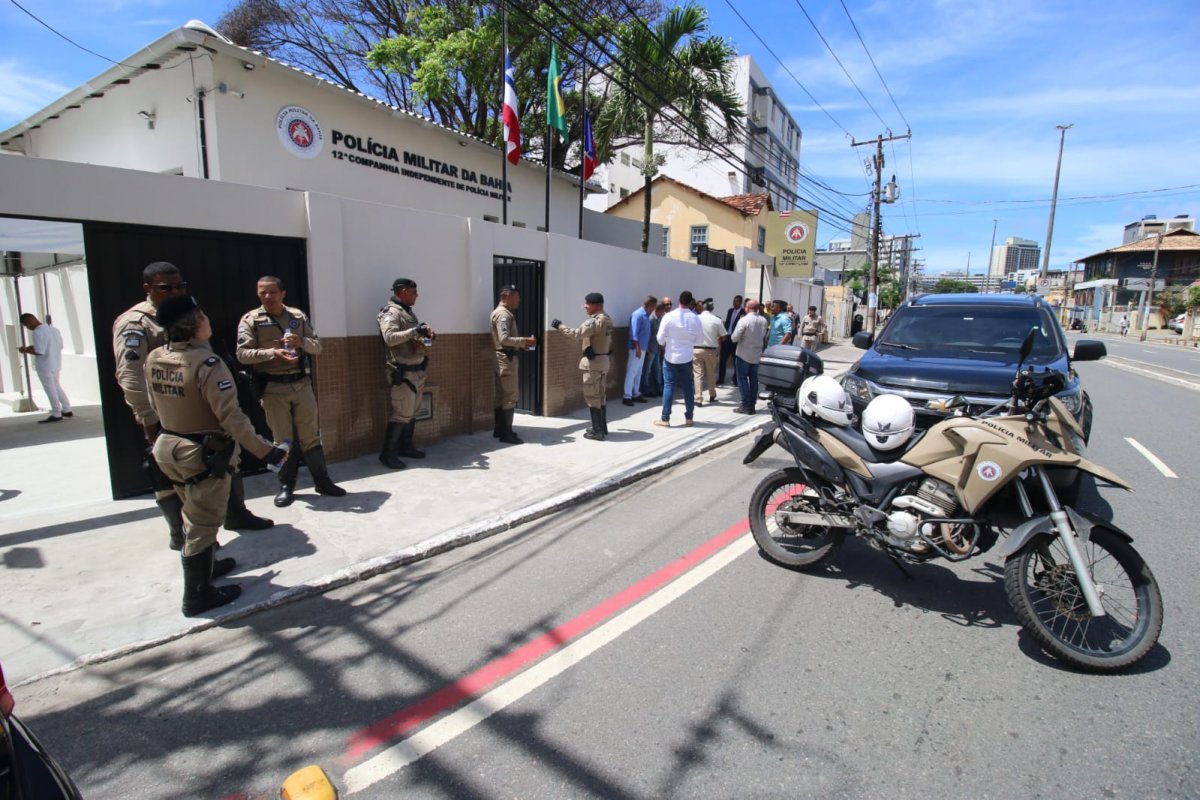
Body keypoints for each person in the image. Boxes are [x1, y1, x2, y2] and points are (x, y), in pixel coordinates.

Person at [113, 261, 271, 552]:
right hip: (169, 415)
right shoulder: (136, 323)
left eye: (179, 286)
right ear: (148, 288)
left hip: (205, 409)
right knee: (173, 475)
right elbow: (132, 377)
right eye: (166, 287)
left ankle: (234, 515)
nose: (175, 292)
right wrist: (149, 421)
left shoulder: (187, 310)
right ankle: (185, 535)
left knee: (226, 460)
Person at [146, 295, 288, 616]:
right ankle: (197, 595)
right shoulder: (207, 364)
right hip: (202, 454)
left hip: (168, 447)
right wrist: (267, 452)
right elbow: (232, 417)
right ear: (196, 325)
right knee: (203, 523)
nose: (207, 320)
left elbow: (154, 403)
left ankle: (207, 568)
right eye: (203, 315)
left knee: (191, 513)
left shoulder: (156, 356)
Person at [236, 276, 346, 507]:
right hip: (273, 387)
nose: (267, 296)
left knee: (311, 436)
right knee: (283, 440)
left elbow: (317, 346)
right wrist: (271, 353)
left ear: (282, 293)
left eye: (272, 292)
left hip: (301, 385)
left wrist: (301, 342)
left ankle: (322, 481)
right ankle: (287, 486)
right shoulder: (250, 320)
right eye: (262, 292)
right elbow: (242, 355)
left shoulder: (297, 316)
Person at [378, 278, 435, 469]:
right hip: (402, 372)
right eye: (414, 292)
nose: (417, 296)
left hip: (416, 369)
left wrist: (428, 339)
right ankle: (388, 454)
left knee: (412, 412)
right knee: (402, 413)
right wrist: (414, 331)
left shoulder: (409, 313)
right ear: (403, 292)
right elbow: (390, 338)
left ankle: (406, 446)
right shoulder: (391, 313)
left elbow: (417, 342)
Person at [551, 292, 614, 441]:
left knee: (592, 396)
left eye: (587, 303)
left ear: (596, 305)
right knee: (600, 395)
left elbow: (577, 334)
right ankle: (602, 427)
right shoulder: (608, 319)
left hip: (593, 364)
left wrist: (560, 326)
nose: (584, 306)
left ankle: (597, 432)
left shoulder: (593, 322)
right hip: (603, 361)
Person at [490, 285, 536, 444]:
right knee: (510, 396)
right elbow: (504, 339)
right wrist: (525, 341)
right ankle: (506, 433)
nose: (519, 300)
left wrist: (522, 345)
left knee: (500, 396)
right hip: (506, 359)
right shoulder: (503, 314)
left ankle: (499, 430)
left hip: (502, 358)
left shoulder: (502, 313)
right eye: (517, 296)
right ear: (508, 295)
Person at [655, 289, 701, 428]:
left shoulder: (669, 316)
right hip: (687, 357)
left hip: (671, 357)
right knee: (688, 387)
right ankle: (689, 418)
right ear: (690, 302)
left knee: (669, 386)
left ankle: (665, 418)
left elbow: (660, 339)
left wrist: (668, 341)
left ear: (679, 300)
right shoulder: (695, 318)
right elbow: (699, 339)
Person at [17, 313, 72, 423]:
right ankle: (66, 409)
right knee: (56, 386)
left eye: (26, 325)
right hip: (56, 363)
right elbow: (59, 346)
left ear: (29, 321)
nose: (27, 328)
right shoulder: (54, 330)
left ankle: (56, 413)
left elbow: (39, 351)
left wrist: (25, 350)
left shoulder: (38, 332)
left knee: (50, 389)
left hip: (44, 365)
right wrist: (31, 348)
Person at [731, 300, 769, 414]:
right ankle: (752, 405)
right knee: (754, 380)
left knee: (742, 380)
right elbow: (764, 336)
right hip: (756, 354)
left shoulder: (744, 320)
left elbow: (734, 338)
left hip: (743, 354)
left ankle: (745, 404)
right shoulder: (763, 320)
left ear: (747, 308)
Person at [623, 296, 656, 406]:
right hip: (635, 349)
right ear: (650, 305)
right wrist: (637, 348)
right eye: (653, 306)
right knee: (632, 372)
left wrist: (644, 349)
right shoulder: (638, 315)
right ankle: (627, 396)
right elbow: (634, 333)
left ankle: (636, 393)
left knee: (638, 372)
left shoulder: (646, 316)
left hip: (642, 349)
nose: (654, 309)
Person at [693, 298, 725, 405]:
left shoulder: (696, 318)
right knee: (711, 373)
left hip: (696, 349)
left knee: (698, 374)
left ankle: (698, 398)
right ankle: (712, 394)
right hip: (711, 350)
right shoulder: (717, 320)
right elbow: (724, 336)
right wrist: (718, 339)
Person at [641, 297, 669, 398]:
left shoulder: (660, 319)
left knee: (657, 369)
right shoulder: (651, 319)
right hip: (650, 348)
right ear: (658, 311)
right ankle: (645, 388)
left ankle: (658, 388)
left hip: (657, 348)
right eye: (662, 312)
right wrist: (647, 348)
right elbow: (648, 335)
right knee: (647, 369)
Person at [718, 295, 744, 386]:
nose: (734, 303)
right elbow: (727, 323)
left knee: (735, 360)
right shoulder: (730, 311)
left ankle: (735, 380)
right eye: (734, 301)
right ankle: (721, 378)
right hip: (727, 337)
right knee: (722, 359)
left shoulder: (743, 312)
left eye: (737, 301)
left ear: (740, 302)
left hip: (735, 339)